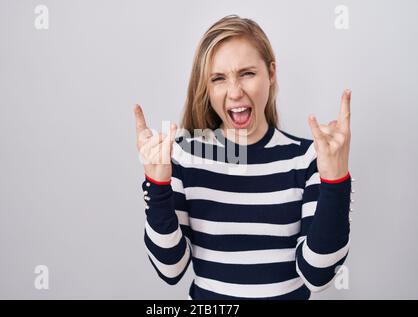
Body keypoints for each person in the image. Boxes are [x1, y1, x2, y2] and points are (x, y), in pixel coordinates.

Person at [133, 15, 353, 300]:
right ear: (207, 87)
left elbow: (318, 274)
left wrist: (336, 181)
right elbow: (170, 268)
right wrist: (157, 184)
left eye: (247, 73)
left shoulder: (308, 157)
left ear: (271, 73)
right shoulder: (184, 156)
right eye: (219, 78)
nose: (235, 92)